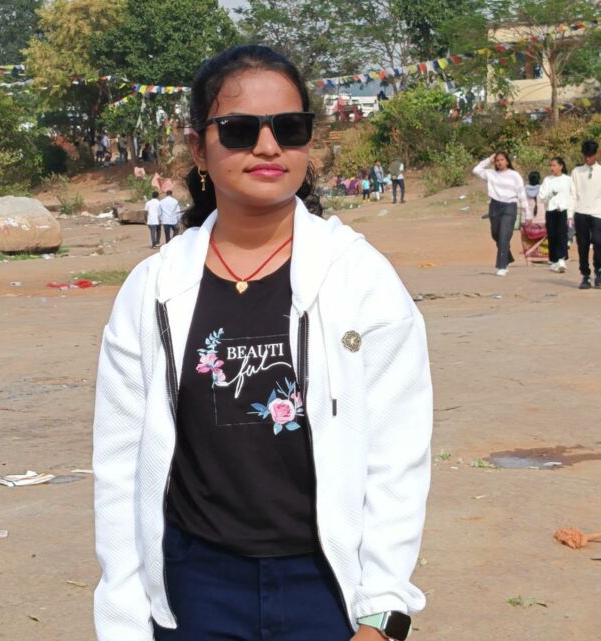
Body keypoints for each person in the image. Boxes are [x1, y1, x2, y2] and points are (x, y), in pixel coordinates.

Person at [93, 45, 432, 641]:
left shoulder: (360, 279)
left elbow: (397, 453)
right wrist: (123, 617)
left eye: (289, 128)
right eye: (240, 130)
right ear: (199, 148)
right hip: (194, 588)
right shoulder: (155, 290)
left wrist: (383, 611)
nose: (268, 147)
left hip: (327, 588)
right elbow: (121, 467)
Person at [473, 151, 530, 276]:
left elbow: (521, 193)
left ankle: (502, 266)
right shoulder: (491, 174)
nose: (499, 162)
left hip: (510, 206)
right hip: (495, 206)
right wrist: (489, 159)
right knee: (496, 235)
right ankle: (507, 257)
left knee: (504, 235)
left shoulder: (514, 175)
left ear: (507, 161)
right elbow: (476, 170)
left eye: (502, 160)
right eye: (497, 160)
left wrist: (527, 213)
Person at [571, 139, 601, 289]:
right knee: (582, 245)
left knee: (599, 242)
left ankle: (599, 272)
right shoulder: (576, 172)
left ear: (596, 154)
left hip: (598, 212)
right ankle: (585, 275)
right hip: (581, 212)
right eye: (586, 156)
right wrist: (570, 214)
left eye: (591, 156)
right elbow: (573, 194)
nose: (588, 159)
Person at [538, 157, 574, 273]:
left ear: (561, 166)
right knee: (552, 235)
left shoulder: (568, 180)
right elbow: (542, 198)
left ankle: (561, 258)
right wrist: (551, 194)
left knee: (562, 234)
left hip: (563, 211)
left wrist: (570, 213)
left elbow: (572, 197)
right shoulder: (547, 180)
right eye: (550, 165)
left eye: (554, 165)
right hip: (550, 210)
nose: (551, 168)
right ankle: (554, 260)